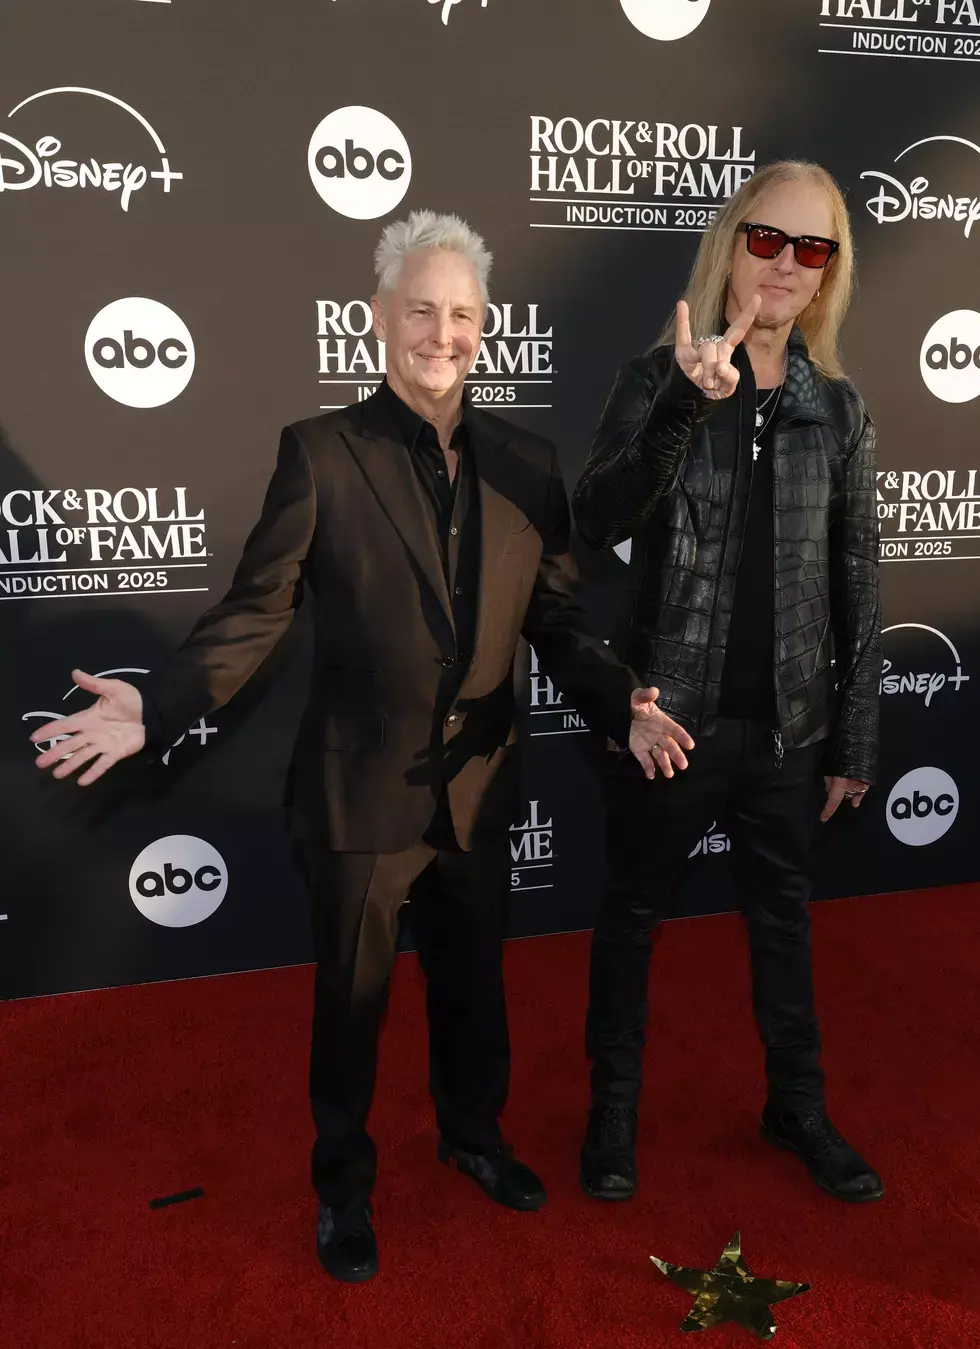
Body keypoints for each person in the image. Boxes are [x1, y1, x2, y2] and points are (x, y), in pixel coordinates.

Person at [29, 211, 691, 1282]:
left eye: (463, 314)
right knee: (349, 1007)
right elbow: (253, 612)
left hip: (477, 787)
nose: (442, 332)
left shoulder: (526, 462)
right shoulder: (321, 454)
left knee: (474, 990)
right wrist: (155, 707)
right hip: (355, 795)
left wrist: (621, 705)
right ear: (376, 320)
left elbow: (560, 620)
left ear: (486, 329)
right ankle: (342, 1184)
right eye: (420, 310)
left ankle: (472, 1136)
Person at [571, 162, 884, 1207]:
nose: (785, 265)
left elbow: (854, 584)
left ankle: (794, 1104)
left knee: (782, 921)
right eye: (766, 240)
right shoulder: (654, 375)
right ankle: (610, 1112)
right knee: (630, 915)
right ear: (728, 242)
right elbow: (593, 521)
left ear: (828, 271)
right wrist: (676, 404)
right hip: (667, 718)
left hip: (786, 725)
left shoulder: (834, 410)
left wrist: (851, 739)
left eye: (812, 248)